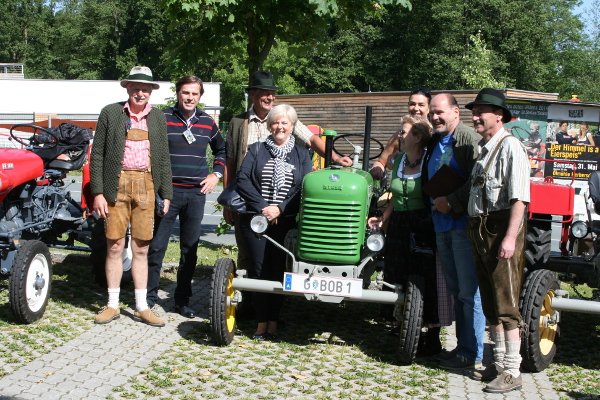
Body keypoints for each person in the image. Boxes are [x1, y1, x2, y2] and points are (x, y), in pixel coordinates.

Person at [225, 71, 351, 292]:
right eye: (265, 93)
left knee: (278, 256)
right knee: (248, 252)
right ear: (253, 94)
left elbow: (312, 140)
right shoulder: (238, 122)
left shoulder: (284, 119)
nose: (270, 98)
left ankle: (272, 307)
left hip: (281, 201)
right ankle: (249, 305)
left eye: (273, 94)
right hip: (249, 199)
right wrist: (227, 202)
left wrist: (336, 158)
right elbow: (230, 160)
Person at [91, 66, 173, 327]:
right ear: (127, 88)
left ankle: (141, 306)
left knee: (141, 247)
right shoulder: (111, 113)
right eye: (136, 87)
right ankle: (113, 305)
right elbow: (98, 155)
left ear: (151, 91)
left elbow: (163, 158)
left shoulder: (158, 118)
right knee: (114, 244)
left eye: (145, 88)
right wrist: (98, 193)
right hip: (116, 185)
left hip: (147, 186)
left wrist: (166, 193)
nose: (140, 92)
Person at [465, 88, 530, 393]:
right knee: (491, 301)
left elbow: (519, 199)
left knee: (506, 303)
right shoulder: (484, 147)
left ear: (499, 115)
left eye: (481, 111)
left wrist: (509, 237)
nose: (475, 116)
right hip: (480, 227)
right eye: (474, 111)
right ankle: (499, 363)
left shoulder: (511, 146)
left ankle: (513, 370)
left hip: (501, 227)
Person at [146, 75, 226, 318]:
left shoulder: (208, 123)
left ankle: (182, 300)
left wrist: (216, 174)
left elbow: (222, 149)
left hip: (195, 194)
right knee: (157, 247)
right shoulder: (162, 118)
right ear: (178, 94)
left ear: (200, 96)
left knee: (189, 249)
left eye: (194, 94)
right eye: (185, 93)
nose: (190, 97)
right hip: (167, 194)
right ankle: (148, 298)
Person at [236, 104, 312, 340]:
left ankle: (274, 320)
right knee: (258, 270)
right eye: (276, 122)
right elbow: (243, 179)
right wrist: (263, 206)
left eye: (285, 123)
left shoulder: (301, 153)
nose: (279, 127)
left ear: (292, 127)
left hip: (285, 222)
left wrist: (280, 208)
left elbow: (303, 186)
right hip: (257, 221)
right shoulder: (257, 149)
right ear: (269, 125)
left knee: (280, 270)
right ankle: (261, 322)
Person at [367, 116, 442, 354]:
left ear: (418, 137)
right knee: (397, 273)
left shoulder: (430, 162)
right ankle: (402, 326)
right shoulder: (398, 160)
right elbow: (397, 197)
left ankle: (432, 333)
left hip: (423, 223)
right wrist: (383, 218)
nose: (399, 136)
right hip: (399, 222)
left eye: (404, 132)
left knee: (424, 276)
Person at [425, 94, 486, 370]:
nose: (435, 117)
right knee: (456, 290)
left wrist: (451, 202)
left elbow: (478, 180)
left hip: (461, 226)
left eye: (440, 112)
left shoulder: (467, 140)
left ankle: (472, 352)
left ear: (455, 112)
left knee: (468, 293)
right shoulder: (436, 140)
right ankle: (462, 347)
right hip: (441, 226)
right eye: (432, 113)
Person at [370, 88, 432, 179]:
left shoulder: (435, 134)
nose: (416, 108)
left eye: (421, 105)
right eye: (412, 104)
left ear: (429, 108)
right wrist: (377, 169)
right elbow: (381, 162)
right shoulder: (399, 136)